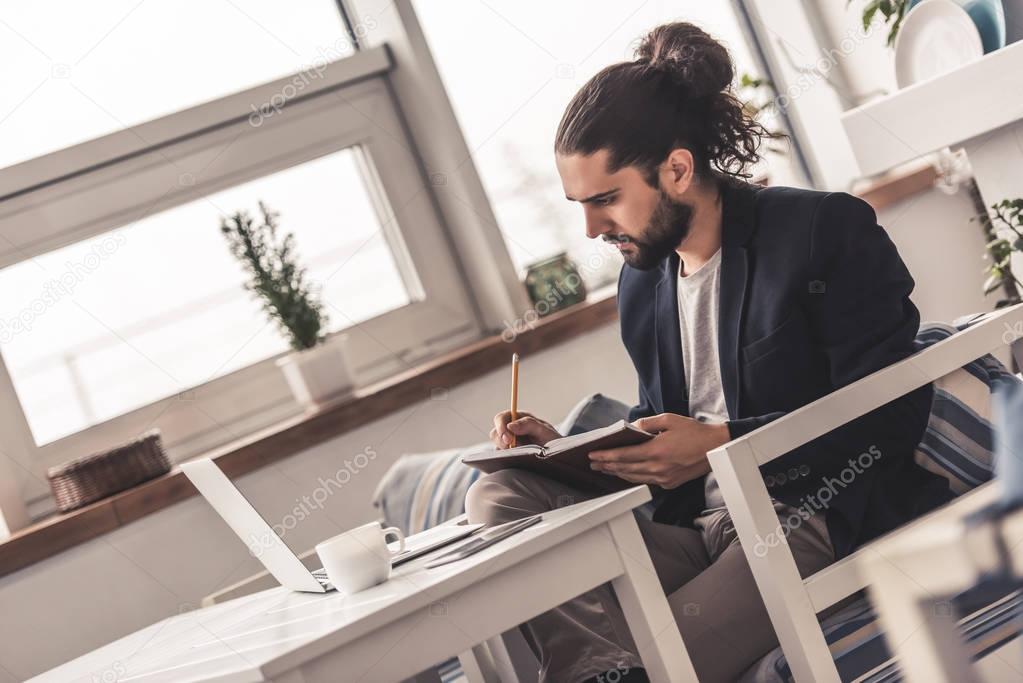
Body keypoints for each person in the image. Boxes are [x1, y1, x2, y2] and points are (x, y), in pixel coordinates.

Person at [465, 21, 952, 683]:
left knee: (664, 661)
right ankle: (592, 667)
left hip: (803, 520)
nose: (590, 229)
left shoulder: (818, 230)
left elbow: (889, 411)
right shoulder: (642, 283)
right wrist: (565, 453)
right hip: (694, 532)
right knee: (500, 493)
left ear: (676, 168)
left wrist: (722, 440)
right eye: (580, 205)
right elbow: (664, 430)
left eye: (606, 199)